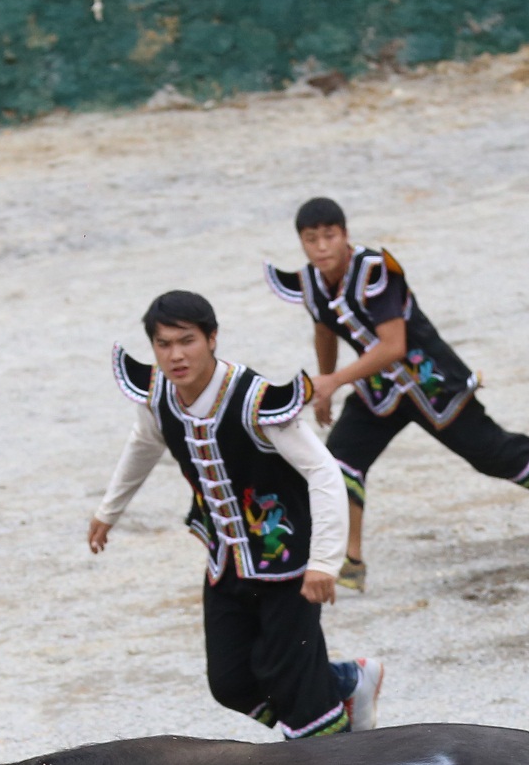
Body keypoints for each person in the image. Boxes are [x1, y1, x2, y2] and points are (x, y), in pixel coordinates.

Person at [89, 291, 382, 739]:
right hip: (225, 559)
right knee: (230, 682)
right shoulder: (157, 396)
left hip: (288, 562)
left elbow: (324, 471)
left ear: (212, 338)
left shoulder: (255, 400)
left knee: (296, 688)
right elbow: (144, 444)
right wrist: (109, 510)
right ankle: (344, 686)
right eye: (163, 344)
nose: (176, 355)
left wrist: (324, 561)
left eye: (186, 341)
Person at [264, 199, 529, 594]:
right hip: (378, 390)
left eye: (329, 236)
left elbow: (393, 346)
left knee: (493, 453)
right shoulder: (311, 284)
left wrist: (334, 382)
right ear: (301, 243)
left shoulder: (375, 271)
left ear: (345, 235)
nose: (322, 247)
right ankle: (350, 559)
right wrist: (327, 380)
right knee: (340, 461)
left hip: (432, 382)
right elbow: (325, 330)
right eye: (311, 240)